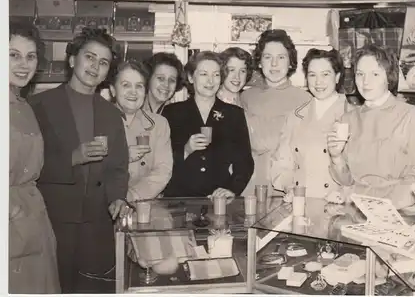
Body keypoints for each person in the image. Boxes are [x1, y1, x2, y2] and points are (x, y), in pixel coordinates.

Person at [28, 27, 130, 293]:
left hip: (98, 225)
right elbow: (24, 167)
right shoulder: (38, 106)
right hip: (53, 221)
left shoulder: (111, 114)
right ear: (73, 59)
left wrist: (118, 198)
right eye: (90, 57)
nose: (95, 66)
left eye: (104, 62)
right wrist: (73, 157)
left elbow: (118, 168)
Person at [328, 45, 415, 211]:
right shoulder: (347, 119)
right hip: (356, 210)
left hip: (399, 211)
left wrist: (380, 206)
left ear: (389, 77)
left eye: (375, 74)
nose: (365, 82)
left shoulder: (410, 116)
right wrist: (336, 157)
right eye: (360, 74)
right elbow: (346, 181)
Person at [9, 20, 60, 293]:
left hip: (33, 218)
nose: (23, 64)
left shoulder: (23, 105)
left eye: (30, 56)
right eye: (13, 55)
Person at [161, 51, 254, 198]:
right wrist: (185, 150)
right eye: (204, 74)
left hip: (217, 200)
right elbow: (160, 161)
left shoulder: (234, 114)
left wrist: (231, 190)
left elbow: (245, 163)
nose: (210, 81)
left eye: (216, 75)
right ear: (191, 77)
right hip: (179, 199)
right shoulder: (172, 112)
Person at [270, 48, 353, 198]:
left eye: (325, 74)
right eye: (312, 75)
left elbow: (359, 174)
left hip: (336, 203)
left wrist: (343, 194)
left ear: (337, 77)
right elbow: (282, 162)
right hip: (299, 201)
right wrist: (289, 187)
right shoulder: (295, 116)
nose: (318, 82)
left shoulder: (352, 115)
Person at [240, 29, 312, 197]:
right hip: (248, 188)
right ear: (259, 62)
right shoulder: (246, 97)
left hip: (289, 191)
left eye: (281, 57)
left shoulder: (305, 100)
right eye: (267, 57)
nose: (274, 64)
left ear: (291, 62)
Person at [108, 60, 173, 201]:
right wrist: (122, 157)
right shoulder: (98, 120)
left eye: (139, 86)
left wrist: (132, 195)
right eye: (126, 85)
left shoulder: (159, 124)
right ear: (113, 90)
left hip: (144, 203)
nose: (133, 92)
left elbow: (162, 171)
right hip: (104, 206)